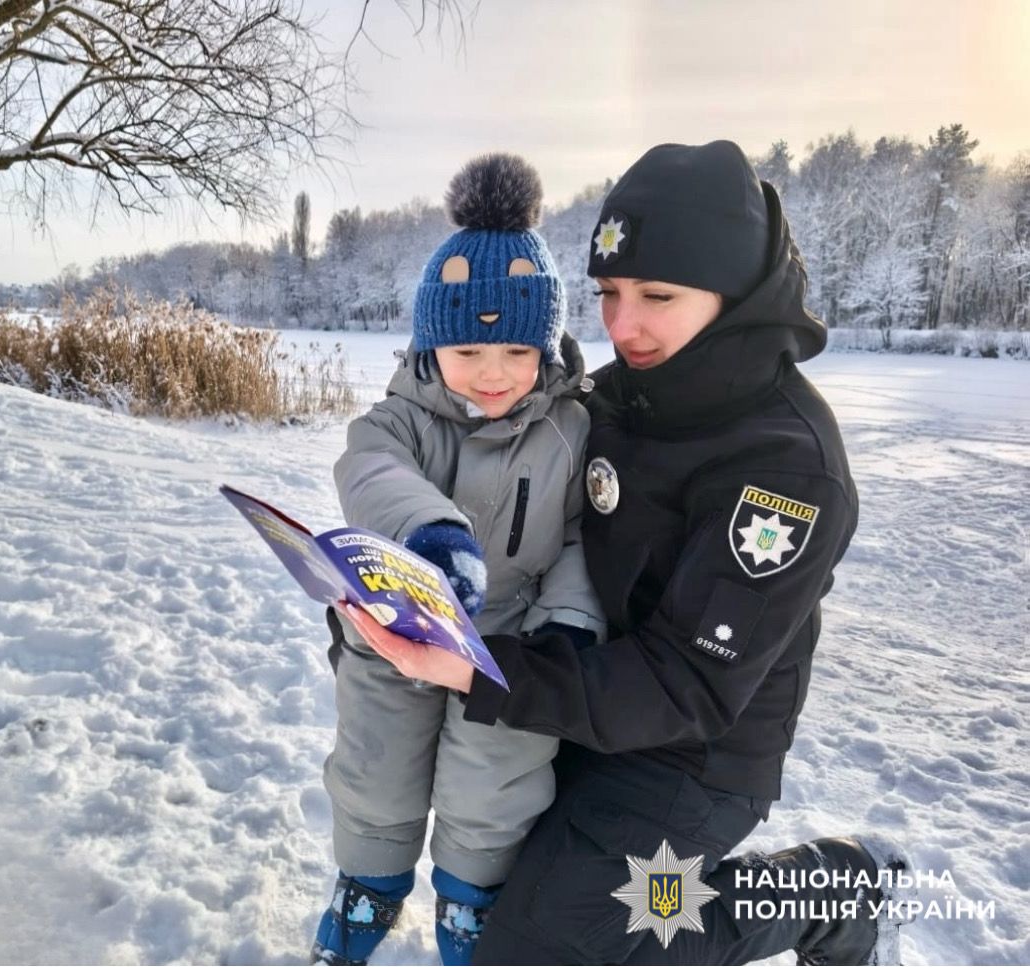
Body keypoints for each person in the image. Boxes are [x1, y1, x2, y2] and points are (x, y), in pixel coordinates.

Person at [339, 140, 913, 965]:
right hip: (573, 700)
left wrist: (484, 671)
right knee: (510, 889)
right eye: (608, 293)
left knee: (574, 943)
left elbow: (689, 683)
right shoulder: (613, 398)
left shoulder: (787, 467)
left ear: (735, 292)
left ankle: (833, 890)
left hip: (690, 754)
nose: (623, 325)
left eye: (657, 294)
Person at [313, 154, 606, 966]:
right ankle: (367, 887)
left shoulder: (571, 431)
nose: (493, 375)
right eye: (469, 353)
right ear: (430, 343)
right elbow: (370, 471)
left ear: (546, 347)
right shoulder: (401, 418)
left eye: (517, 352)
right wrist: (430, 534)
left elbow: (583, 536)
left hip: (507, 647)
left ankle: (472, 906)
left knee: (496, 784)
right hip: (398, 631)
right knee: (375, 770)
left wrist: (569, 624)